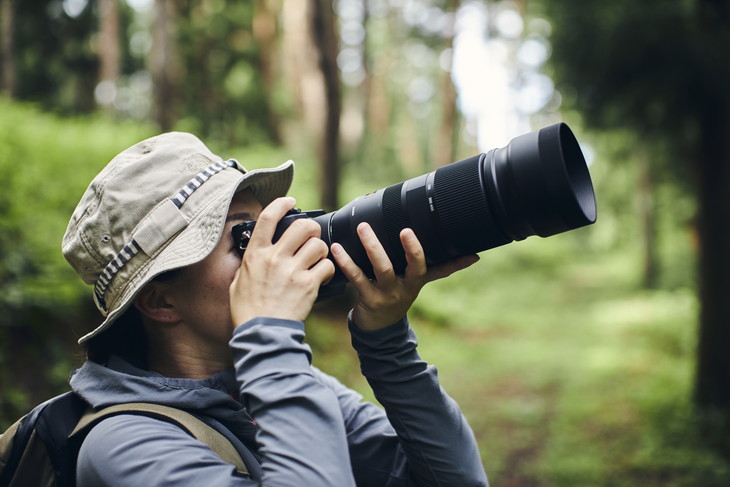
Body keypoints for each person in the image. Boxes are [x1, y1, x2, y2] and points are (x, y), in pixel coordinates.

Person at [62, 132, 488, 486]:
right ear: (160, 300)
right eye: (243, 239)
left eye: (267, 226)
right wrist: (270, 333)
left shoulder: (269, 384)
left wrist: (386, 340)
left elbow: (455, 480)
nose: (275, 252)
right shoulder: (123, 446)